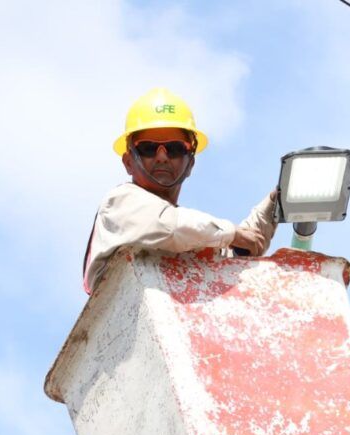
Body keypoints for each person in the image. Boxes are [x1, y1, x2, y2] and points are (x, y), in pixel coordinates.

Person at [83, 87, 278, 294]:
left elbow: (234, 257)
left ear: (190, 163)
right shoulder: (119, 204)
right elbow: (169, 226)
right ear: (128, 162)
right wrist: (233, 233)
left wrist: (275, 204)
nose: (162, 157)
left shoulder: (194, 236)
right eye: (148, 147)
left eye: (174, 148)